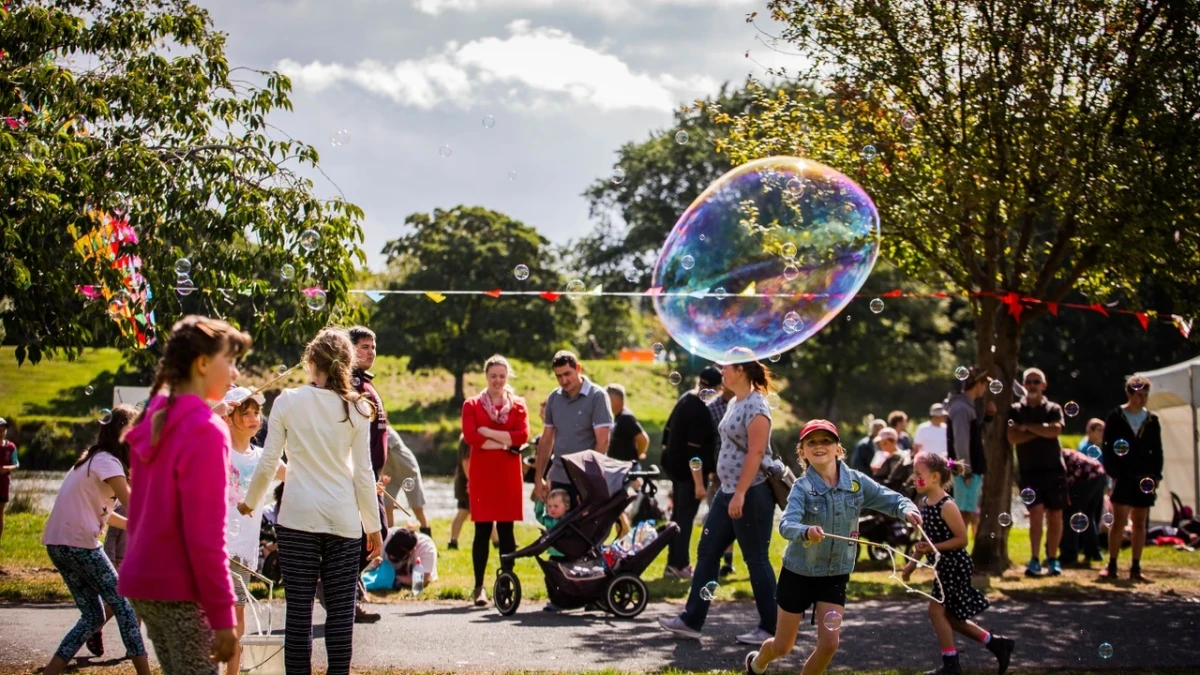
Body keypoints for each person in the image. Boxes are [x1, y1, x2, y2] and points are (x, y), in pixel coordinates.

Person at [240, 328, 382, 675]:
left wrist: (249, 502)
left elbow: (269, 462)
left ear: (310, 362)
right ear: (347, 365)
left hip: (297, 518)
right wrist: (373, 527)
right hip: (344, 520)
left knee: (299, 613)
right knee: (340, 611)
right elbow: (364, 474)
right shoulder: (360, 408)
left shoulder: (288, 400)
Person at [118, 316, 248, 672]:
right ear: (203, 363)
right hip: (179, 589)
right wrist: (224, 617)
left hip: (143, 583)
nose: (235, 373)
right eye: (231, 361)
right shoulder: (206, 431)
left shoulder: (157, 414)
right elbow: (205, 537)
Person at [743, 419, 922, 675]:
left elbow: (889, 499)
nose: (819, 446)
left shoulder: (856, 483)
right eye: (811, 442)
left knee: (829, 645)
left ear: (839, 449)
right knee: (783, 646)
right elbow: (786, 525)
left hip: (834, 573)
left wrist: (907, 509)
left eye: (826, 441)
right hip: (799, 573)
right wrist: (805, 531)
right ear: (802, 451)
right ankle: (757, 663)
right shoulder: (801, 488)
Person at [658, 357, 779, 646]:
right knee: (708, 551)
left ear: (740, 371)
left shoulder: (757, 406)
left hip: (750, 493)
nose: (721, 371)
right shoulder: (735, 402)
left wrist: (739, 492)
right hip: (727, 491)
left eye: (725, 367)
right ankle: (692, 620)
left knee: (756, 559)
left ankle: (772, 628)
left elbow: (756, 452)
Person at [39, 405, 150, 675]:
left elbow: (107, 513)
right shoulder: (108, 463)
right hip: (79, 545)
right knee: (124, 605)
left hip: (58, 545)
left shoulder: (94, 458)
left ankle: (51, 671)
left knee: (93, 616)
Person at [902, 453, 1015, 675]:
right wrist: (912, 564)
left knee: (936, 612)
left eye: (918, 474)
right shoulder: (925, 503)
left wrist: (934, 547)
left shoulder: (947, 505)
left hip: (954, 565)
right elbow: (926, 541)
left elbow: (962, 540)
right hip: (943, 566)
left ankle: (951, 665)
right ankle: (996, 644)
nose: (914, 478)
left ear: (935, 477)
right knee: (951, 618)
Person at [220, 387, 286, 675]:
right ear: (228, 417)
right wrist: (216, 412)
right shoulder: (216, 451)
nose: (252, 418)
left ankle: (232, 673)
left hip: (242, 551)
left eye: (256, 412)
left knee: (237, 614)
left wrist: (353, 482)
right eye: (244, 412)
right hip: (213, 547)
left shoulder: (264, 457)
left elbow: (301, 474)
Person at [461, 354, 529, 608]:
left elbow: (522, 436)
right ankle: (479, 587)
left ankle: (505, 582)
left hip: (508, 475)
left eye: (502, 376)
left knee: (507, 529)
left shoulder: (519, 405)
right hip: (483, 475)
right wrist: (505, 441)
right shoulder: (472, 405)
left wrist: (488, 433)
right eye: (493, 376)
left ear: (507, 376)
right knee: (481, 530)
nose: (498, 381)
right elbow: (470, 436)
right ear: (486, 376)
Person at [1100, 375, 1163, 582]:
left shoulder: (1152, 420)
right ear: (1129, 393)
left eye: (1145, 395)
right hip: (1123, 476)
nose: (1142, 399)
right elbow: (1107, 448)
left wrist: (1155, 475)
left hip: (1144, 477)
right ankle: (1112, 564)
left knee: (1140, 522)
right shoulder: (1117, 416)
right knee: (1119, 521)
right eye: (1138, 394)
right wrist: (1114, 473)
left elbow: (1157, 451)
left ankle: (1136, 567)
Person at [661, 367, 722, 580]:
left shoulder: (686, 398)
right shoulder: (701, 411)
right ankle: (681, 564)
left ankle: (671, 564)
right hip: (689, 474)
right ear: (717, 388)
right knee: (685, 519)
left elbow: (666, 432)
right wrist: (699, 483)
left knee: (677, 517)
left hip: (674, 469)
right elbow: (695, 453)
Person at [1006, 367, 1066, 577]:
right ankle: (1034, 559)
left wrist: (1028, 428)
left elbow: (1055, 430)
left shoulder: (1053, 408)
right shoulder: (1015, 410)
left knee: (1056, 514)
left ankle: (1053, 558)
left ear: (1044, 385)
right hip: (1029, 471)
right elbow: (1013, 438)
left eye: (1036, 382)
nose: (1032, 385)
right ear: (1023, 385)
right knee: (1036, 514)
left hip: (1054, 469)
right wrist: (1041, 431)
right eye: (1028, 382)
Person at [534, 351, 613, 506]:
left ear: (578, 368)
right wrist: (538, 477)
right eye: (558, 376)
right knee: (556, 529)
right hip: (558, 477)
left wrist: (591, 480)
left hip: (586, 479)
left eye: (567, 374)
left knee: (584, 529)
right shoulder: (554, 398)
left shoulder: (597, 396)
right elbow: (546, 439)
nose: (564, 380)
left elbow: (602, 442)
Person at [349, 326, 390, 622]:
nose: (370, 352)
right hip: (357, 472)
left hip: (371, 472)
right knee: (368, 535)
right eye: (364, 346)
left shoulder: (366, 383)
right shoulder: (349, 385)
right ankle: (338, 588)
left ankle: (345, 590)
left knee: (373, 534)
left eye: (373, 347)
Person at [946, 366, 995, 540]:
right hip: (965, 472)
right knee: (963, 514)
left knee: (966, 513)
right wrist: (965, 469)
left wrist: (988, 419)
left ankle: (958, 554)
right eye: (984, 384)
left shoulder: (967, 406)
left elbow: (975, 437)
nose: (985, 389)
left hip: (967, 470)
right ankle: (956, 555)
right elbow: (960, 441)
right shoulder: (961, 408)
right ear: (978, 384)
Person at [705, 377, 738, 578]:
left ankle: (729, 562)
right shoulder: (711, 408)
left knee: (738, 518)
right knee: (718, 517)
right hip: (718, 471)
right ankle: (718, 560)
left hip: (740, 471)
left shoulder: (745, 403)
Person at [1060, 447, 1107, 567]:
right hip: (1100, 474)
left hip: (1087, 477)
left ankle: (1069, 554)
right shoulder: (1064, 452)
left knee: (1070, 514)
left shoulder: (1056, 457)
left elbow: (1065, 479)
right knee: (1087, 515)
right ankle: (1093, 552)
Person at [382, 427, 430, 534]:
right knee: (387, 507)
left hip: (408, 471)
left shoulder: (388, 432)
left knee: (417, 508)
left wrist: (379, 474)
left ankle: (427, 538)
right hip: (391, 475)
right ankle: (389, 538)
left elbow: (382, 452)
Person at [365, 527, 439, 590]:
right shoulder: (385, 537)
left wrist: (394, 578)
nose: (391, 557)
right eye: (390, 553)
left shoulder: (426, 548)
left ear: (412, 551)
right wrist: (375, 564)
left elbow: (420, 582)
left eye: (397, 556)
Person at [606, 384, 650, 467]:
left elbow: (643, 439)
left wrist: (637, 455)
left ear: (617, 399)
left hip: (628, 468)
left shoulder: (626, 417)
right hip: (619, 467)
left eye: (608, 399)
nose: (605, 402)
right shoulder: (618, 416)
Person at [534, 488, 571, 559]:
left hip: (567, 553)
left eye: (556, 506)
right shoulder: (549, 520)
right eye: (549, 506)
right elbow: (539, 516)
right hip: (553, 553)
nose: (552, 509)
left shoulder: (569, 520)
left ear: (566, 506)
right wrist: (540, 503)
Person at [449, 434, 471, 550]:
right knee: (463, 512)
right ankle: (453, 541)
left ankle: (453, 541)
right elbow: (466, 461)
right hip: (466, 483)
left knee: (463, 512)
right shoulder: (468, 438)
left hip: (464, 482)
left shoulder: (465, 437)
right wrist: (470, 482)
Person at [0, 417, 17, 548]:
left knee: (0, 514)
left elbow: (16, 464)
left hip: (3, 483)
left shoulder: (11, 447)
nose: (2, 432)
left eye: (3, 430)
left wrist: (6, 469)